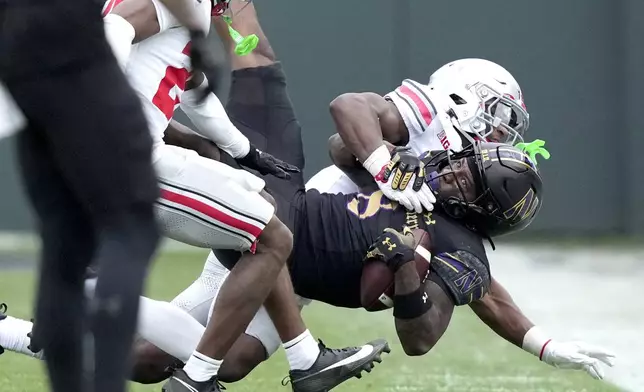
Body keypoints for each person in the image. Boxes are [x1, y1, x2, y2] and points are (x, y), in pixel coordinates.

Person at [0, 0, 166, 390]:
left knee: (64, 241)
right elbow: (122, 27)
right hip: (77, 59)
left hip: (20, 56)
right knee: (131, 228)